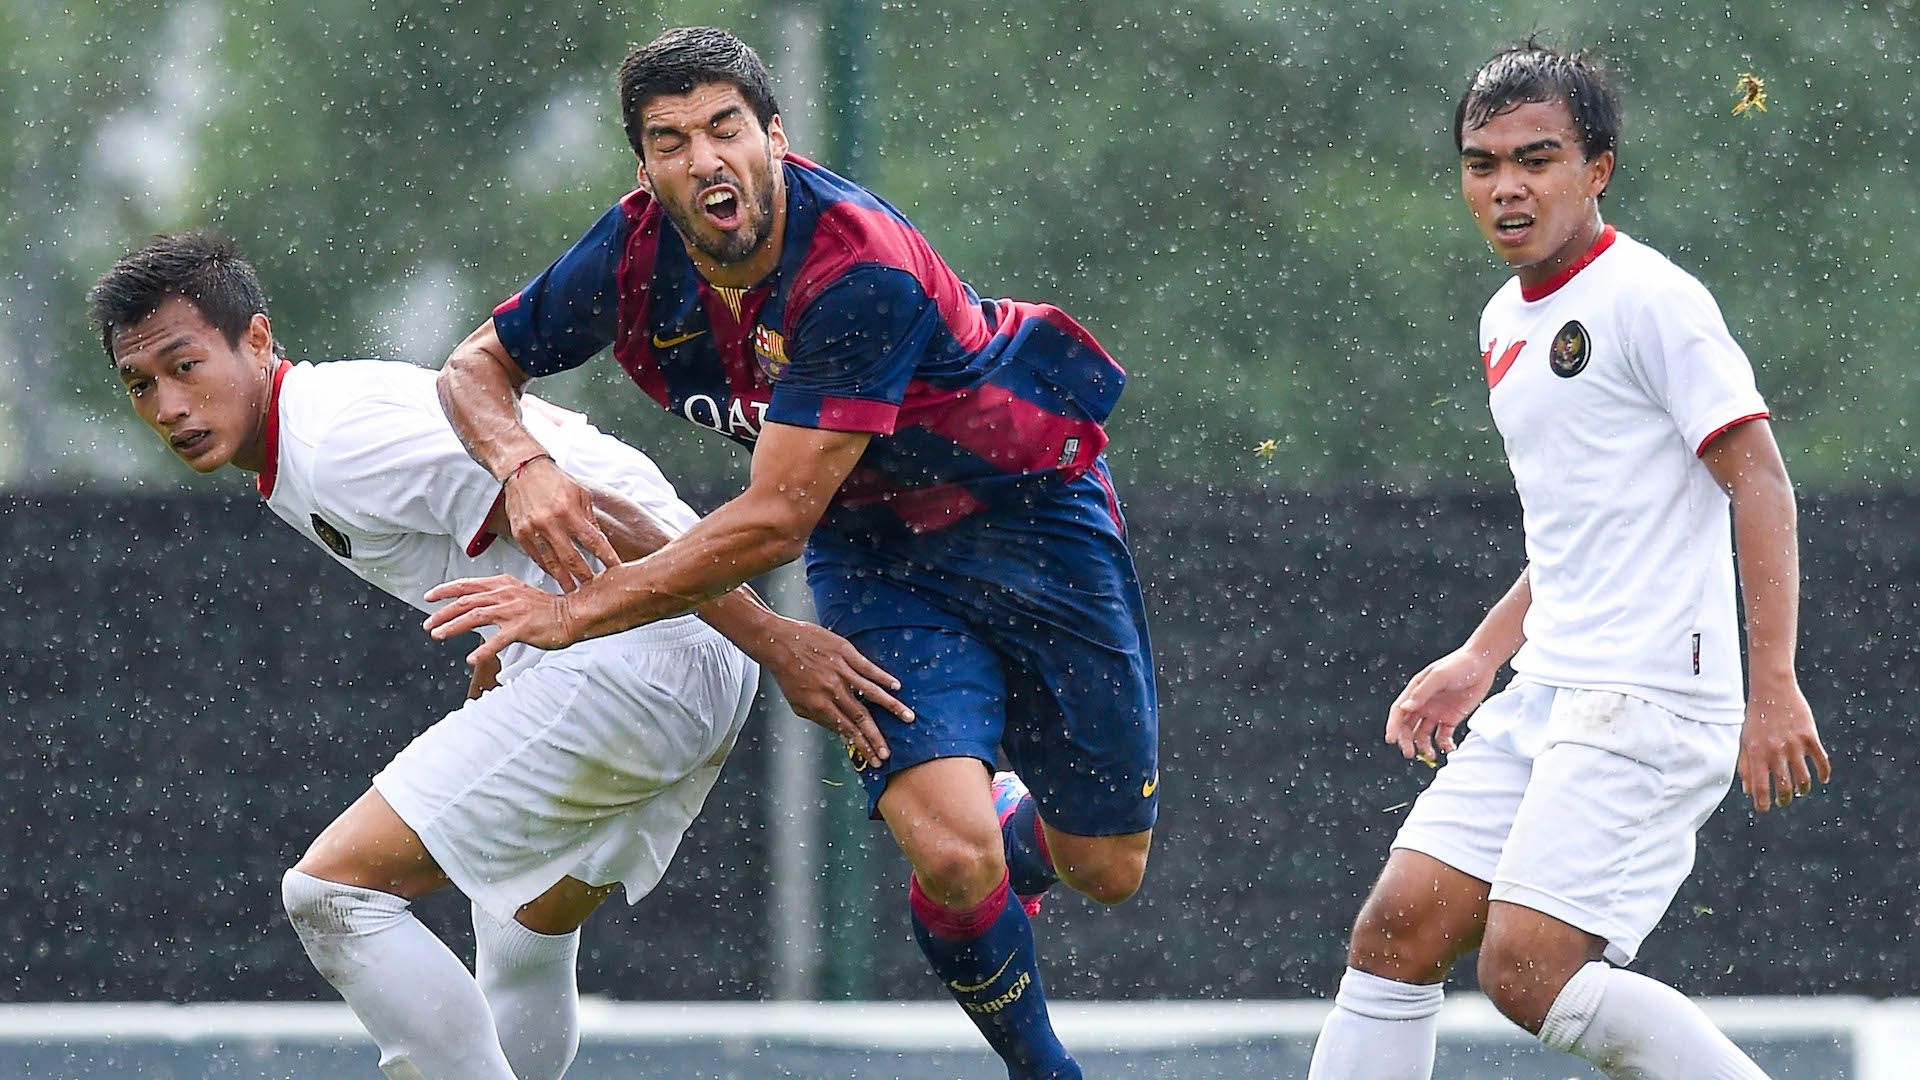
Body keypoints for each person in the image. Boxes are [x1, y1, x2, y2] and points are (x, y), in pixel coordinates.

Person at [424, 26, 1158, 1080]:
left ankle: (1019, 826)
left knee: (1109, 869)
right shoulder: (632, 253)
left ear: (776, 136)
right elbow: (473, 368)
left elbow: (771, 523)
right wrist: (520, 466)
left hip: (1032, 514)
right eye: (671, 142)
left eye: (726, 130)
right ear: (645, 168)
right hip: (880, 553)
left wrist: (577, 609)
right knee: (951, 856)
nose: (703, 161)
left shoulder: (857, 267)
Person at [87, 230, 910, 1080]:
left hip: (645, 654)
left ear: (257, 340)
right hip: (669, 653)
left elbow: (586, 509)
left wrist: (782, 646)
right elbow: (546, 512)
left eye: (185, 366)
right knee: (521, 920)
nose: (168, 406)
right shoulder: (310, 433)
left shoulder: (333, 444)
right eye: (140, 384)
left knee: (332, 895)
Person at [1306, 39, 1833, 1080]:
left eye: (1537, 160)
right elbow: (1581, 527)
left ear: (1597, 170)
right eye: (1482, 163)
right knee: (1398, 929)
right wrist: (1477, 659)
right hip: (1551, 689)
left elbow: (1761, 484)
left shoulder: (1652, 300)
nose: (1507, 187)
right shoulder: (1505, 319)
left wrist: (1772, 685)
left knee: (1529, 973)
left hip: (1648, 697)